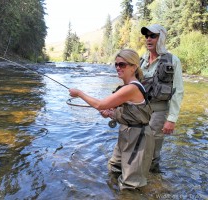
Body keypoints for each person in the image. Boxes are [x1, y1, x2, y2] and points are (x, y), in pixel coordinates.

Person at [69, 49, 154, 190]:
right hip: (126, 133)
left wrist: (78, 93)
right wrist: (111, 114)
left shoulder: (131, 88)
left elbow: (100, 104)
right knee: (114, 168)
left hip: (138, 139)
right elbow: (130, 112)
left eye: (122, 65)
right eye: (116, 65)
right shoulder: (126, 87)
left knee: (131, 184)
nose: (118, 68)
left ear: (134, 67)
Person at [140, 24, 184, 172]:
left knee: (153, 147)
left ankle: (152, 176)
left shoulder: (173, 60)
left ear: (161, 38)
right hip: (139, 109)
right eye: (146, 36)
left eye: (153, 36)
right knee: (137, 143)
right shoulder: (141, 60)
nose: (148, 39)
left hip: (158, 111)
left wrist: (171, 119)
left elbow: (178, 91)